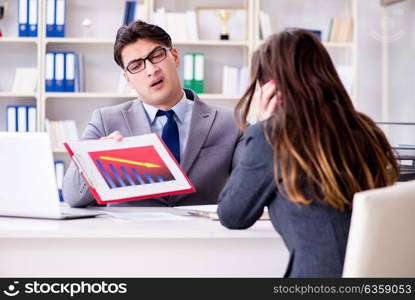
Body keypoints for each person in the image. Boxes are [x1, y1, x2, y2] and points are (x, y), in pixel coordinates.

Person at [217, 29, 399, 277]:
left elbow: (232, 215)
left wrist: (263, 123)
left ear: (271, 88)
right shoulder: (365, 129)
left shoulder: (272, 135)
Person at [63, 20, 244, 207]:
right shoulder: (105, 120)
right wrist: (96, 159)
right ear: (128, 79)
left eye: (157, 55)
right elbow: (73, 197)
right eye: (136, 66)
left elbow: (251, 189)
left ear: (174, 56)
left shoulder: (230, 122)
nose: (151, 70)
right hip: (133, 234)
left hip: (203, 234)